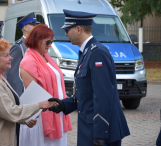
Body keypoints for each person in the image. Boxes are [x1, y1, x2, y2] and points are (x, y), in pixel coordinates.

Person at [48, 9, 130, 146]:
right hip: (90, 129)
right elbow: (86, 93)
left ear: (79, 29)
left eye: (68, 29)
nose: (65, 33)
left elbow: (103, 96)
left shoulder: (97, 53)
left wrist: (100, 134)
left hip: (101, 131)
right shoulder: (86, 52)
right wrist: (63, 104)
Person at [0, 39, 53, 146]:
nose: (11, 58)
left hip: (2, 137)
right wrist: (39, 105)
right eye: (6, 56)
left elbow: (2, 110)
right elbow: (10, 111)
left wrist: (24, 120)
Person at [19, 24, 72, 146]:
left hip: (56, 112)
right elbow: (33, 94)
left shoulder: (47, 58)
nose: (50, 45)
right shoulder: (29, 61)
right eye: (47, 42)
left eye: (51, 42)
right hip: (42, 118)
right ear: (37, 40)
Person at [4, 12, 40, 97]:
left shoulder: (36, 45)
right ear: (25, 28)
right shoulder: (18, 46)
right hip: (23, 93)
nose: (36, 28)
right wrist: (18, 96)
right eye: (33, 26)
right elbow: (13, 75)